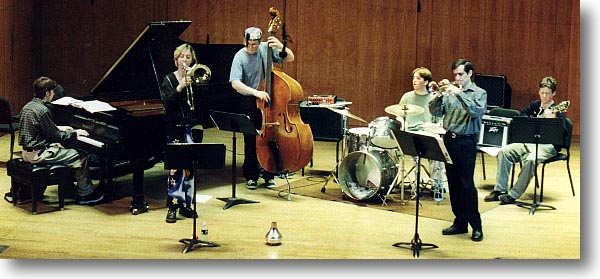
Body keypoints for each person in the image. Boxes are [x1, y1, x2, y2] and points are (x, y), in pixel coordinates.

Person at [18, 76, 104, 205]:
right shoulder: (43, 110)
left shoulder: (28, 107)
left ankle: (68, 188)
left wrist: (59, 127)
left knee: (65, 151)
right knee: (80, 156)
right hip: (38, 155)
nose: (54, 94)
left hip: (26, 153)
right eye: (52, 92)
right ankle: (86, 195)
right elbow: (57, 137)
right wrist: (75, 133)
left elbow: (39, 128)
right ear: (47, 94)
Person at [229, 26, 295, 189]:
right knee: (251, 139)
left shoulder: (266, 48)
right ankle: (251, 175)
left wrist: (280, 46)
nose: (252, 47)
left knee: (270, 136)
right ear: (245, 41)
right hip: (249, 100)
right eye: (249, 43)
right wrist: (256, 92)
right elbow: (235, 83)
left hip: (267, 100)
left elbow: (290, 58)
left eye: (255, 44)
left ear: (260, 42)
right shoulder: (240, 56)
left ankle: (269, 174)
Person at [429, 59, 487, 242]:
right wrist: (438, 96)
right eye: (455, 74)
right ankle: (460, 222)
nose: (457, 78)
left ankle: (476, 225)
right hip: (449, 140)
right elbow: (436, 112)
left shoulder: (479, 93)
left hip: (466, 142)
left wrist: (459, 94)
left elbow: (476, 112)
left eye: (461, 74)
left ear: (470, 74)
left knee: (467, 185)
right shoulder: (450, 93)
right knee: (453, 184)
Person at [484, 76, 567, 205]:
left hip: (547, 146)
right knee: (504, 152)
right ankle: (499, 190)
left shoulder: (558, 112)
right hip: (528, 142)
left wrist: (554, 120)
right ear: (539, 92)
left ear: (554, 93)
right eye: (542, 93)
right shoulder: (535, 105)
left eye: (548, 93)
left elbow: (561, 136)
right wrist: (531, 120)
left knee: (530, 160)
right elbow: (521, 116)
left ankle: (513, 194)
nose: (544, 96)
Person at [160, 43, 203, 223]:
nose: (184, 60)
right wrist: (180, 87)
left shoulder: (195, 77)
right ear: (176, 59)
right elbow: (167, 103)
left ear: (192, 60)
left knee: (190, 168)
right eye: (181, 57)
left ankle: (186, 205)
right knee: (175, 169)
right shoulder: (169, 80)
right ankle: (172, 206)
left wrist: (195, 83)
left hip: (191, 127)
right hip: (175, 127)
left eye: (188, 57)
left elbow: (202, 101)